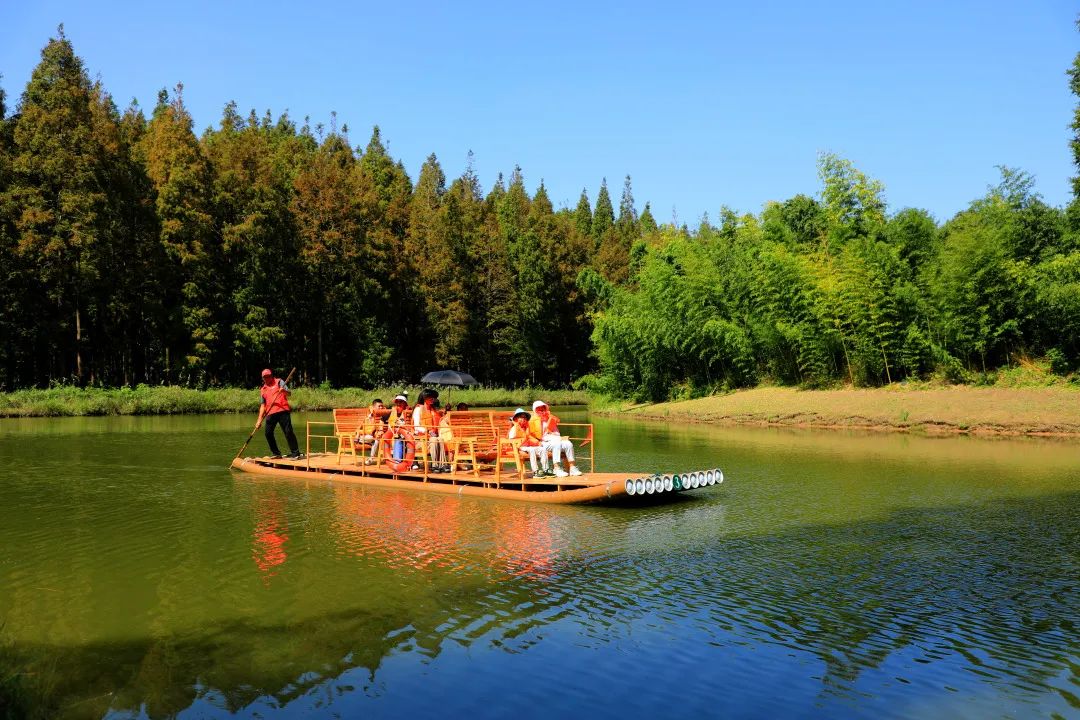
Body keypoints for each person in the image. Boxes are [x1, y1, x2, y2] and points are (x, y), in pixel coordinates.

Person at [254, 368, 302, 459]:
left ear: (271, 375)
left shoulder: (279, 382)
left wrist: (283, 391)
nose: (267, 378)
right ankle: (276, 453)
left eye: (268, 376)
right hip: (270, 413)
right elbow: (262, 406)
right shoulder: (263, 389)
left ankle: (295, 453)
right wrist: (259, 420)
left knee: (288, 431)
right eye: (265, 377)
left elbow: (289, 393)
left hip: (282, 410)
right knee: (268, 433)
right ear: (263, 378)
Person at [530, 400, 582, 476]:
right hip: (542, 442)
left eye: (543, 409)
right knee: (557, 444)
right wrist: (538, 442)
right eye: (539, 409)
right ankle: (556, 468)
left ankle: (572, 468)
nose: (542, 411)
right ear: (535, 410)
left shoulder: (550, 419)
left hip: (553, 439)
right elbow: (530, 435)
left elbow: (556, 432)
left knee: (568, 443)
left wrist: (554, 435)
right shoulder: (531, 421)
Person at [413, 389, 448, 471]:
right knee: (434, 440)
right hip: (421, 438)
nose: (432, 399)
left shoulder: (433, 410)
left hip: (432, 436)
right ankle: (434, 465)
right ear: (424, 398)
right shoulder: (418, 409)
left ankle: (442, 464)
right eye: (430, 398)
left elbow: (439, 420)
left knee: (440, 439)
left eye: (433, 398)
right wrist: (427, 431)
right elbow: (416, 426)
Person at [509, 408, 549, 478]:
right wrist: (518, 447)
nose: (523, 419)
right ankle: (535, 472)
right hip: (519, 448)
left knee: (542, 449)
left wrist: (537, 442)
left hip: (527, 446)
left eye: (525, 418)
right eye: (521, 417)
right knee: (532, 450)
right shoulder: (514, 429)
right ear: (516, 419)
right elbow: (511, 441)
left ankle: (546, 470)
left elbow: (528, 438)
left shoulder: (525, 428)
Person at [356, 398, 389, 464]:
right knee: (373, 438)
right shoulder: (369, 417)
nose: (380, 407)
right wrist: (358, 435)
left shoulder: (384, 416)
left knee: (376, 441)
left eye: (381, 406)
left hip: (374, 438)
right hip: (363, 437)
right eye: (379, 406)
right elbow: (359, 427)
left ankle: (370, 459)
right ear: (374, 407)